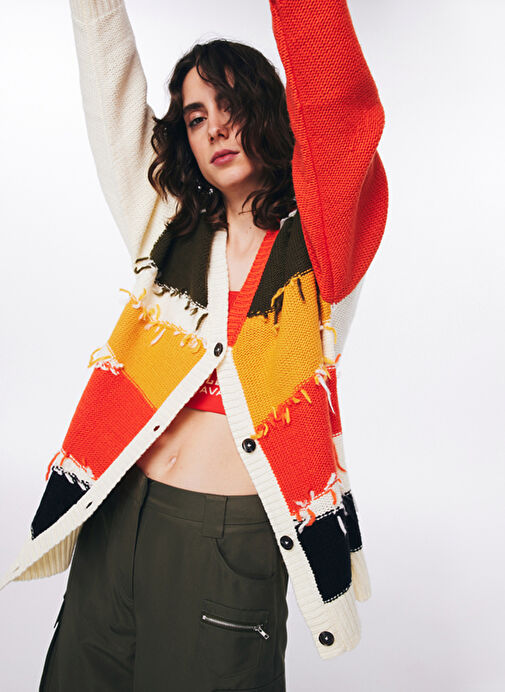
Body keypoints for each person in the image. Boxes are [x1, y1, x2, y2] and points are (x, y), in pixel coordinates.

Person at [0, 1, 388, 690]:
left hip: (226, 543)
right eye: (195, 115)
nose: (215, 128)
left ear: (270, 110)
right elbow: (110, 89)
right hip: (116, 518)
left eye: (230, 105)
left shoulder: (321, 246)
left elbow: (336, 109)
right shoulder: (168, 223)